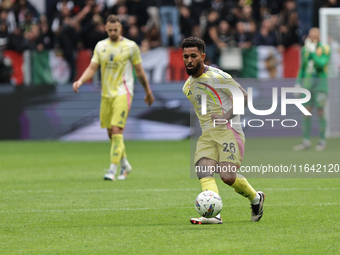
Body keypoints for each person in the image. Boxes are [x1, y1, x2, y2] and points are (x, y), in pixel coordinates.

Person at [181, 37, 265, 224]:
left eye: (193, 56)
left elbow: (243, 96)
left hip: (229, 131)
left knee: (227, 177)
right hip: (207, 135)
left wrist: (225, 117)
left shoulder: (218, 77)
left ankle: (256, 198)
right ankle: (213, 215)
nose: (189, 60)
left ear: (202, 56)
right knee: (204, 170)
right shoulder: (187, 87)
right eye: (185, 56)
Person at [73, 15, 154, 180]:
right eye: (109, 30)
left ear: (120, 29)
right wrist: (81, 80)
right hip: (106, 94)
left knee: (117, 130)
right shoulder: (100, 46)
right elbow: (92, 67)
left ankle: (112, 169)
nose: (112, 33)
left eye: (115, 30)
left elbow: (139, 71)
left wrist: (148, 92)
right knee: (111, 133)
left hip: (123, 93)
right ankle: (125, 164)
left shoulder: (130, 46)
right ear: (105, 29)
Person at [293, 28, 330, 151]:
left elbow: (321, 64)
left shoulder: (325, 49)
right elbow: (302, 68)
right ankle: (306, 141)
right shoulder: (305, 50)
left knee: (320, 111)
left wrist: (313, 52)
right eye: (311, 35)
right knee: (306, 112)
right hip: (308, 85)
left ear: (319, 37)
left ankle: (322, 141)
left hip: (320, 84)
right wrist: (298, 83)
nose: (312, 37)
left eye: (315, 35)